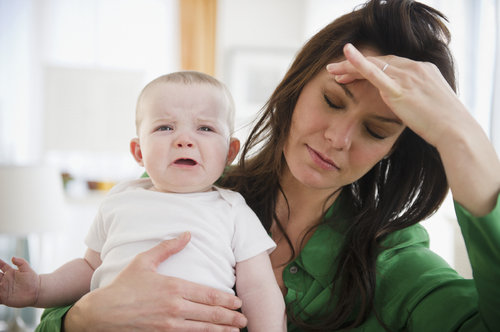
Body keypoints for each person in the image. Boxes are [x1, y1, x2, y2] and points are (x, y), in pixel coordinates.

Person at [25, 0, 500, 330]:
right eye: (333, 101)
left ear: (393, 150)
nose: (338, 139)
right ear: (296, 87)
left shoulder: (393, 261)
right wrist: (86, 319)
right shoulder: (178, 186)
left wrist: (461, 133)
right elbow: (60, 308)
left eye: (376, 131)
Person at [0, 71, 286, 332]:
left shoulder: (233, 209)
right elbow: (89, 269)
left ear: (230, 151)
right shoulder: (120, 199)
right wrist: (39, 288)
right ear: (138, 151)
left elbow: (259, 289)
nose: (184, 140)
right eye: (165, 128)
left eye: (205, 129)